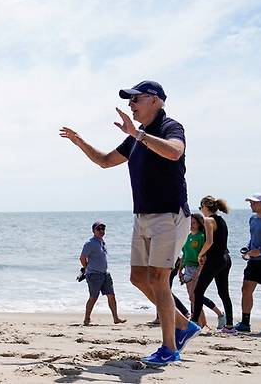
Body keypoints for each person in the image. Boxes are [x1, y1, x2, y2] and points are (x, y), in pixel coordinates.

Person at [60, 80, 199, 366]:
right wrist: (79, 141)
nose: (131, 105)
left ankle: (170, 349)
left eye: (136, 99)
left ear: (156, 100)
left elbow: (175, 152)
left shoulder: (170, 127)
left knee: (160, 280)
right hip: (143, 216)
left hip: (169, 215)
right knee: (138, 278)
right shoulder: (137, 137)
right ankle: (184, 325)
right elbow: (105, 161)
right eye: (130, 101)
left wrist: (138, 134)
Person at [234, 193, 261, 335]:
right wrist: (247, 249)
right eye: (250, 202)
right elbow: (253, 238)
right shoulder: (252, 218)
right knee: (246, 289)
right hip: (254, 262)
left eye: (254, 202)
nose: (251, 205)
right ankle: (245, 323)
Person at [186, 203, 233, 331]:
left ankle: (194, 324)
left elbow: (209, 241)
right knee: (224, 293)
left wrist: (200, 255)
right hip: (226, 258)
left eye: (201, 208)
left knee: (198, 291)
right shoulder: (221, 220)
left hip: (215, 260)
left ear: (205, 207)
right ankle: (229, 326)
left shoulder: (208, 220)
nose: (201, 211)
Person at [179, 212, 226, 329]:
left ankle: (219, 314)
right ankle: (202, 323)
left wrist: (198, 270)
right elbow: (184, 254)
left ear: (199, 224)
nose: (191, 224)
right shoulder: (187, 236)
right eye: (190, 222)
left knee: (195, 296)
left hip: (197, 268)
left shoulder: (201, 236)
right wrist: (180, 269)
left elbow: (204, 255)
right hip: (187, 268)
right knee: (192, 298)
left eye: (194, 222)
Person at [79, 221, 126, 326]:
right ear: (93, 231)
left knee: (111, 295)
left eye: (103, 229)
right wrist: (86, 268)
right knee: (93, 297)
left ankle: (116, 318)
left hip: (105, 274)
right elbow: (82, 258)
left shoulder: (101, 242)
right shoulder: (89, 243)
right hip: (94, 275)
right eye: (98, 229)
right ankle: (86, 319)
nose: (101, 231)